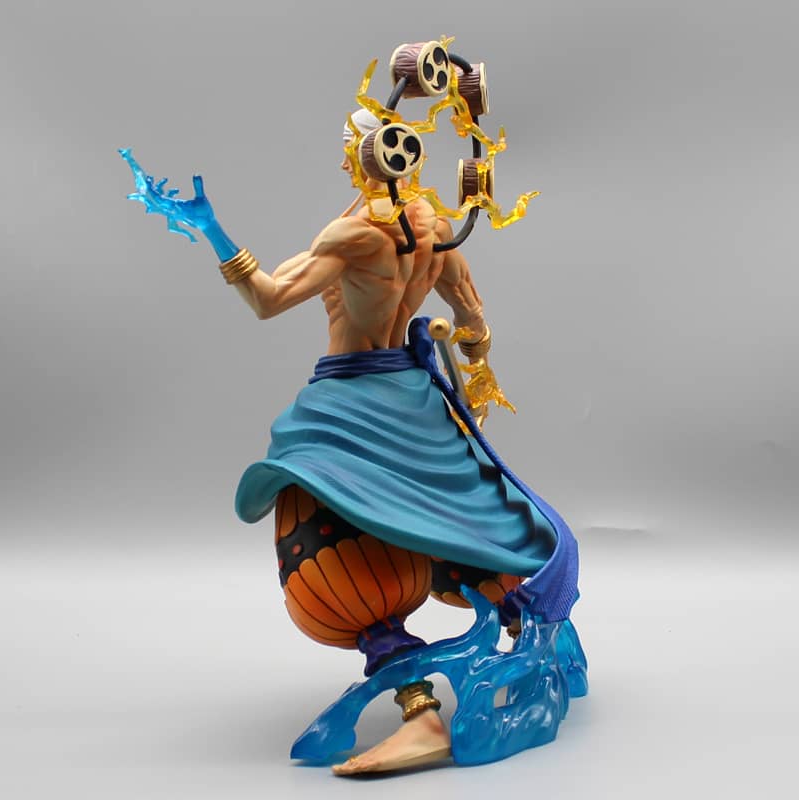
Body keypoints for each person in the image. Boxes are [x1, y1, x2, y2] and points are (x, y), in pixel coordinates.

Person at [120, 108, 579, 775]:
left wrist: (210, 229)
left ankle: (421, 713)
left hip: (352, 402)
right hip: (416, 402)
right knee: (459, 524)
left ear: (356, 159)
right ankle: (543, 648)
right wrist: (474, 370)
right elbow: (474, 322)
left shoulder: (353, 235)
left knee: (325, 547)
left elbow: (268, 299)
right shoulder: (437, 230)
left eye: (347, 151)